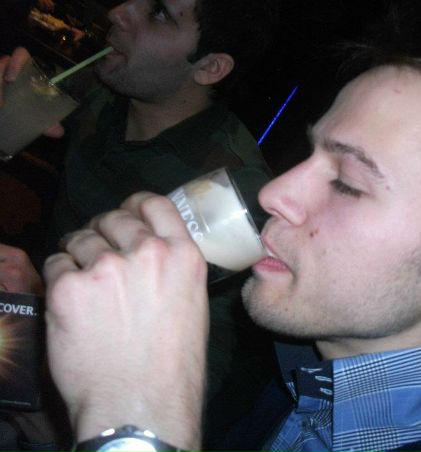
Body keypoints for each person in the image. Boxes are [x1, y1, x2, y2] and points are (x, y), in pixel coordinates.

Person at [41, 3, 421, 452]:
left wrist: (139, 425)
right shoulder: (309, 382)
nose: (273, 194)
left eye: (348, 183)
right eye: (309, 154)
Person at [0, 0, 275, 447]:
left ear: (209, 67)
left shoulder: (230, 196)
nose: (117, 12)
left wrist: (37, 304)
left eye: (159, 13)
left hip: (71, 411)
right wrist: (14, 81)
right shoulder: (102, 90)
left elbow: (195, 376)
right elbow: (31, 92)